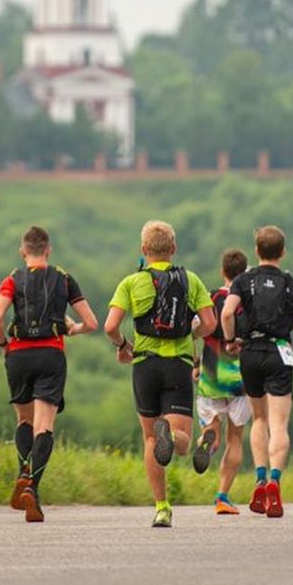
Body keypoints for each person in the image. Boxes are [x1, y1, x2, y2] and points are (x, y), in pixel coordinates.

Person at [105, 220, 216, 528]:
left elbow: (110, 326)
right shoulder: (191, 280)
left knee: (150, 439)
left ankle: (162, 507)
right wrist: (190, 335)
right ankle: (173, 431)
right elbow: (210, 323)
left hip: (144, 365)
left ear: (143, 250)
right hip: (178, 364)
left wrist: (123, 345)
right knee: (180, 442)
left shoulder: (130, 282)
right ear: (174, 249)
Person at [0, 225, 98, 523]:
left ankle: (23, 470)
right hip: (51, 354)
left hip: (19, 355)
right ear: (48, 250)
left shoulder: (12, 279)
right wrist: (73, 328)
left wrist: (3, 344)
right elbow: (91, 322)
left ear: (23, 251)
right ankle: (32, 488)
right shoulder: (64, 279)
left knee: (24, 420)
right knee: (44, 426)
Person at [221, 225, 293, 520]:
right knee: (279, 423)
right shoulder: (292, 284)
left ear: (257, 251)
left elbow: (227, 313)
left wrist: (230, 340)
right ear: (283, 252)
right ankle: (276, 479)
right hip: (280, 353)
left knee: (259, 419)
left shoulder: (243, 280)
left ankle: (260, 479)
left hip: (250, 352)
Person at [191, 247, 251, 515]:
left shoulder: (211, 297)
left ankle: (207, 440)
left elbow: (192, 330)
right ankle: (222, 497)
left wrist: (194, 362)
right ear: (245, 272)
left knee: (211, 428)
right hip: (242, 379)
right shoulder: (249, 300)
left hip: (211, 374)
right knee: (236, 438)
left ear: (222, 272)